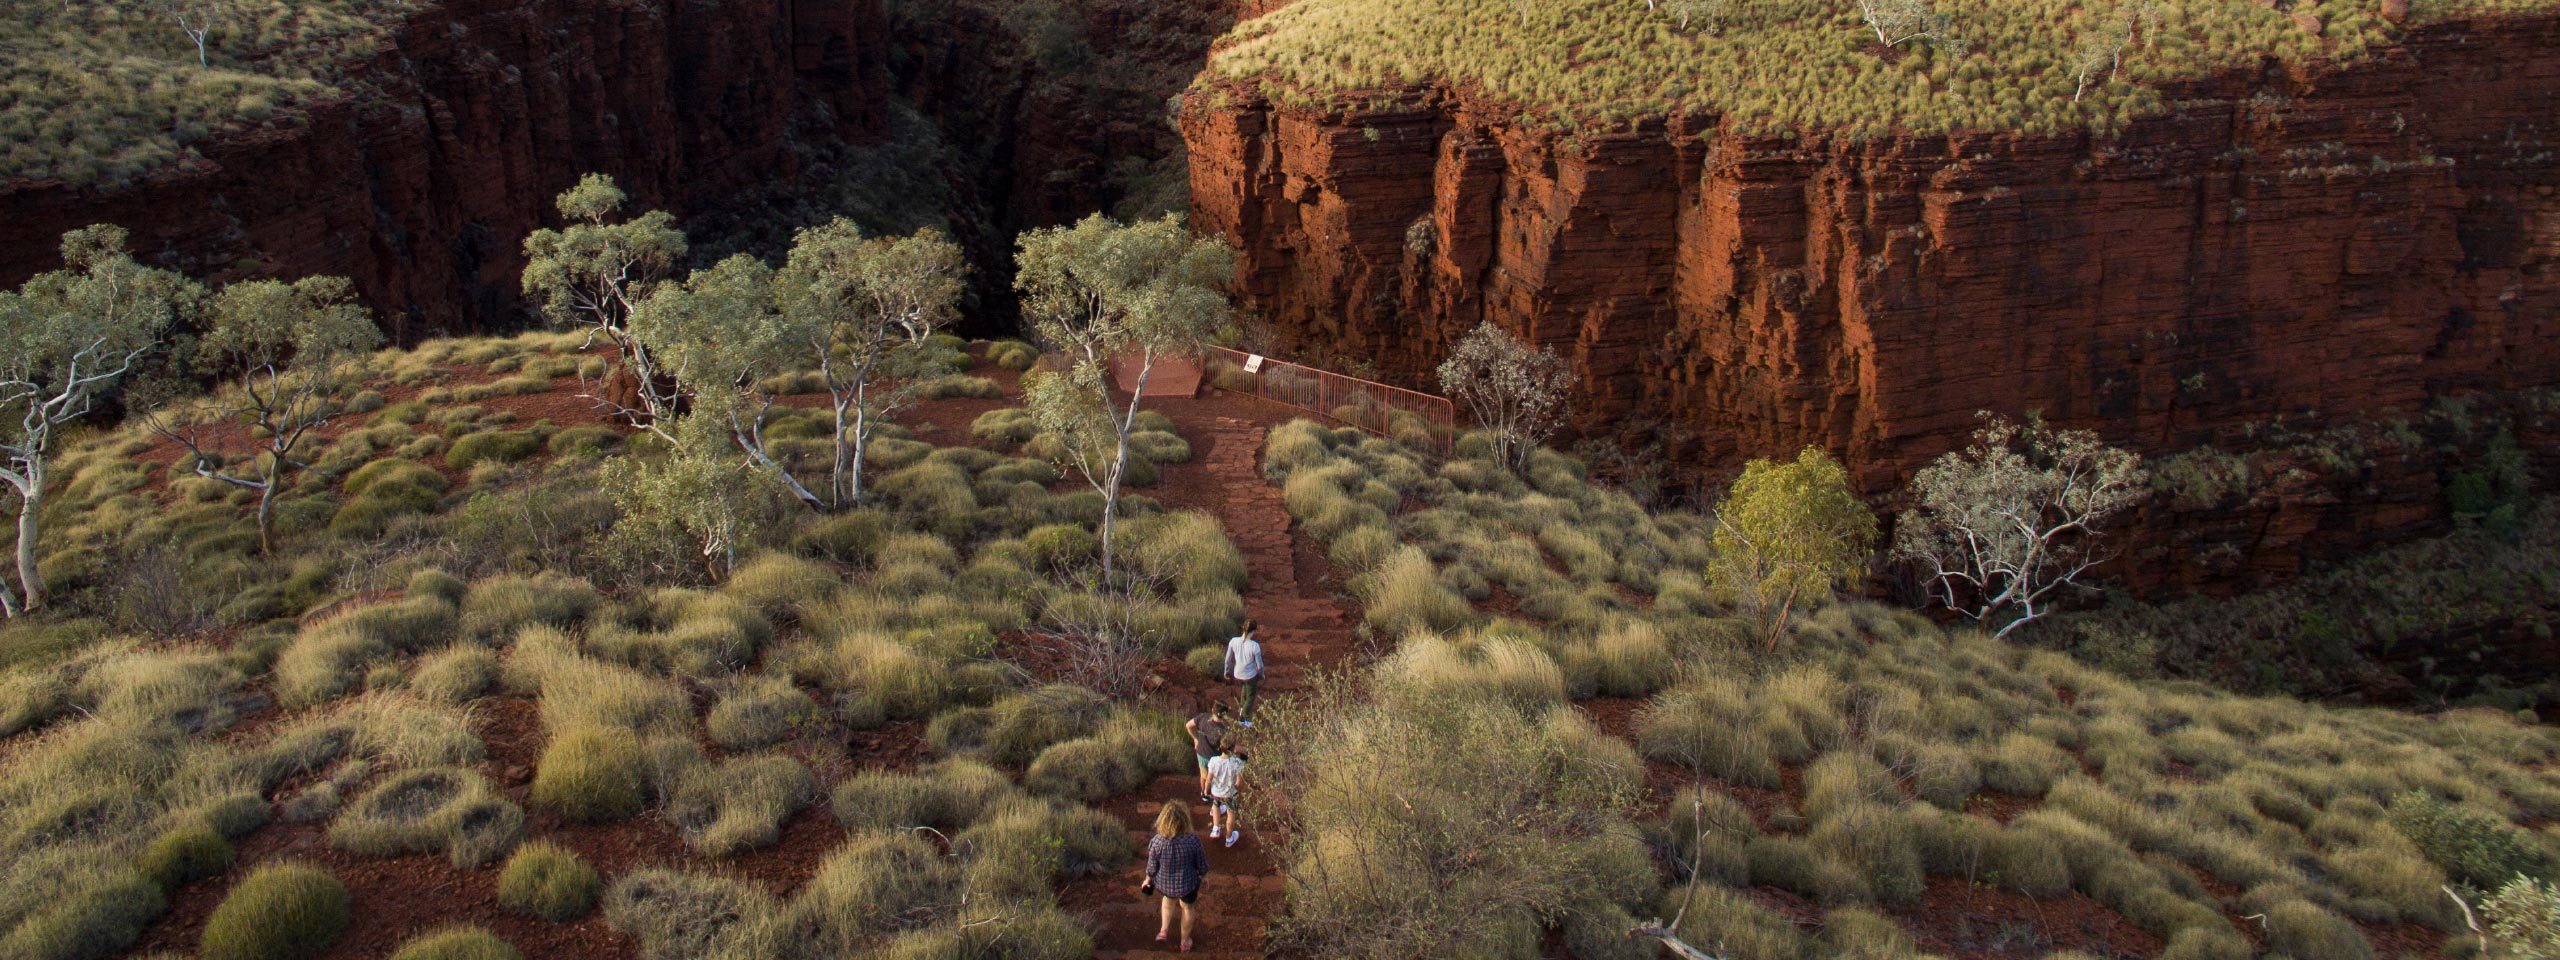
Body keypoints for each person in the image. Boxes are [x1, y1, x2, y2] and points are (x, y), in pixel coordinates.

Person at [1143, 800, 1211, 952]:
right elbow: (1201, 862)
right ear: (1185, 820)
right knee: (1187, 908)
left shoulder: (1157, 842)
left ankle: (1163, 930)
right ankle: (1185, 941)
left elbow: (1152, 866)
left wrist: (1147, 879)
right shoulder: (1192, 841)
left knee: (1167, 902)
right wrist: (1205, 876)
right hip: (1188, 885)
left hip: (1165, 884)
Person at [1184, 702, 1230, 804]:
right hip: (1214, 759)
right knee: (1214, 779)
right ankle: (1210, 795)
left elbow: (1188, 726)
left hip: (1200, 753)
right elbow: (1225, 747)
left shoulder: (1203, 717)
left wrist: (1196, 739)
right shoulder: (1223, 731)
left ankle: (1204, 794)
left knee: (1203, 776)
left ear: (1212, 710)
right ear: (1224, 715)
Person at [1223, 618, 1264, 726]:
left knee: (1245, 688)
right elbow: (1259, 666)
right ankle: (1243, 719)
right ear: (1253, 631)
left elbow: (1227, 659)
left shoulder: (1233, 641)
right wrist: (1262, 675)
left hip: (1238, 674)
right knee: (1251, 695)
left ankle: (1241, 708)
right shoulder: (1254, 646)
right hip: (1250, 675)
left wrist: (1226, 672)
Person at [1206, 745, 1248, 847]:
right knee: (1231, 813)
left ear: (1220, 747)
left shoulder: (1213, 760)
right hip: (1230, 793)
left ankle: (1216, 829)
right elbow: (1239, 782)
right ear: (1233, 749)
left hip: (1216, 792)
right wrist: (1237, 790)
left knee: (1216, 806)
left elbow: (1209, 779)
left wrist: (1206, 790)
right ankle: (1229, 838)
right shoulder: (1236, 762)